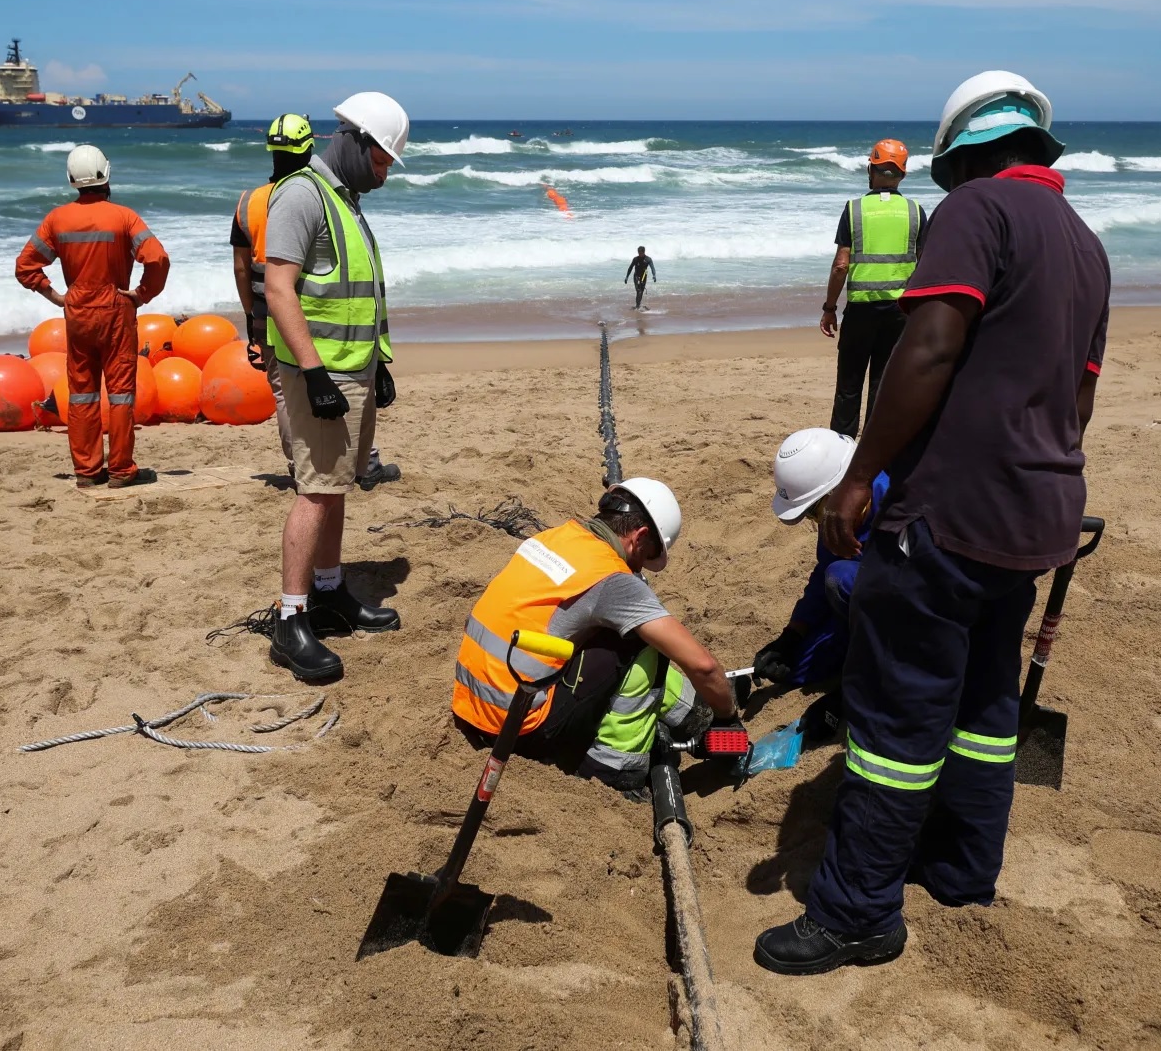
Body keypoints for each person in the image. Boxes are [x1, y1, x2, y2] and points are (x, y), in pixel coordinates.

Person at [755, 70, 1109, 974]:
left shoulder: (977, 213)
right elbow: (1077, 399)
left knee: (897, 717)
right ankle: (960, 867)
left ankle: (857, 913)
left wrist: (862, 474)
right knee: (987, 701)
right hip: (1037, 512)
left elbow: (933, 344)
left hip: (947, 512)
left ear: (970, 155)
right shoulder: (1086, 243)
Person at [452, 478, 739, 794]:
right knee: (643, 640)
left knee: (607, 629)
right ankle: (616, 770)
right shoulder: (611, 577)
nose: (641, 568)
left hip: (472, 706)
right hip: (520, 728)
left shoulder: (554, 538)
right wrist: (728, 718)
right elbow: (703, 666)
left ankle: (692, 715)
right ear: (640, 537)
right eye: (647, 557)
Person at [265, 92, 409, 684]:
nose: (384, 173)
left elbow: (353, 291)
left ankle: (328, 594)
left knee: (337, 486)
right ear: (356, 141)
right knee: (315, 491)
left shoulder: (342, 201)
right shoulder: (302, 194)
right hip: (319, 374)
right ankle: (291, 618)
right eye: (382, 160)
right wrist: (316, 373)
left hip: (352, 370)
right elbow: (278, 289)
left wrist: (378, 361)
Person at [231, 115, 400, 490]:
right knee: (301, 412)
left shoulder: (250, 201)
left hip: (268, 317)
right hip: (299, 327)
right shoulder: (304, 195)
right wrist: (314, 371)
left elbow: (242, 268)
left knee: (282, 398)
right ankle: (311, 469)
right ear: (307, 147)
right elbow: (283, 283)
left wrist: (248, 315)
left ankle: (301, 464)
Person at [16, 145, 168, 489]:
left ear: (71, 180)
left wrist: (54, 295)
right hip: (116, 310)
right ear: (107, 174)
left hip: (78, 312)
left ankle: (86, 472)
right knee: (120, 395)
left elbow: (25, 265)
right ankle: (120, 470)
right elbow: (157, 258)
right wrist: (142, 294)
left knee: (82, 394)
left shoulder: (56, 219)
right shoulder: (125, 217)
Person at [751, 428, 888, 743]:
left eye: (817, 510)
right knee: (797, 669)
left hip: (907, 613)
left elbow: (913, 602)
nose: (819, 522)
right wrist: (790, 637)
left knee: (841, 578)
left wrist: (850, 693)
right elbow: (822, 573)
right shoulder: (840, 518)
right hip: (863, 602)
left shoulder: (894, 504)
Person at [820, 140, 928, 439]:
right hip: (899, 313)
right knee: (883, 384)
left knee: (849, 386)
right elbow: (926, 264)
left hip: (861, 311)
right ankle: (873, 449)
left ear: (871, 168)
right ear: (903, 175)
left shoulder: (855, 209)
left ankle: (840, 448)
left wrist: (829, 308)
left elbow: (841, 265)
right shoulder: (916, 212)